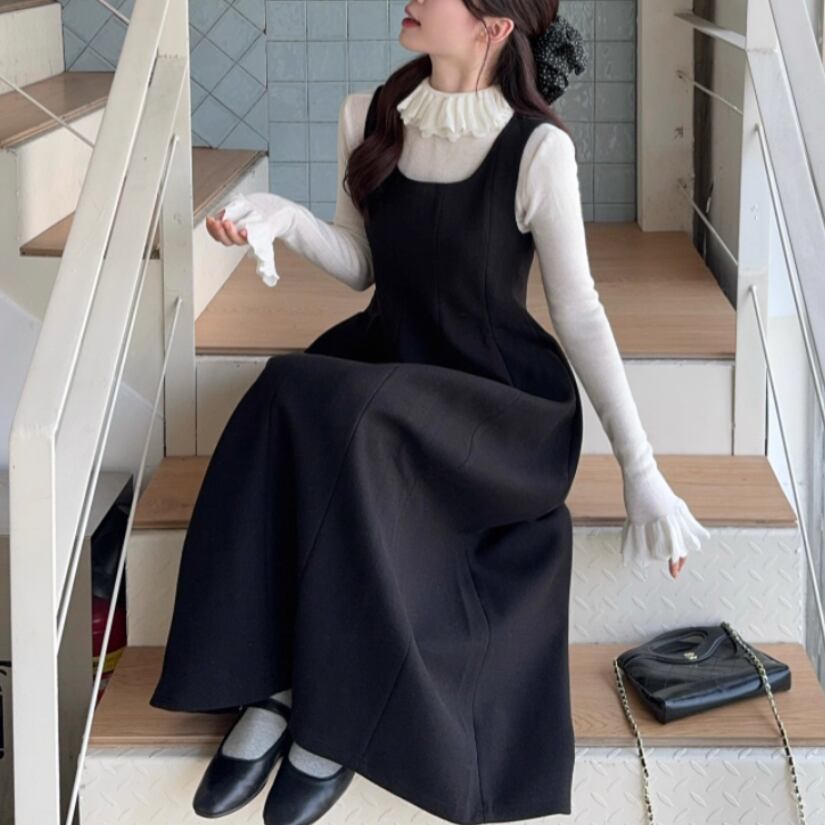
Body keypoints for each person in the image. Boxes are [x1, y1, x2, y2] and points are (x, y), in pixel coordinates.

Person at [149, 2, 711, 824]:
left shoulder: (536, 149)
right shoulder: (369, 115)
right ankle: (272, 681)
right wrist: (289, 218)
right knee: (285, 390)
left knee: (357, 420)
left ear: (493, 25)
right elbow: (361, 266)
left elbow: (580, 312)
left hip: (497, 406)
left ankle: (333, 712)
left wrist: (642, 469)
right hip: (391, 361)